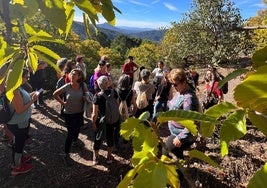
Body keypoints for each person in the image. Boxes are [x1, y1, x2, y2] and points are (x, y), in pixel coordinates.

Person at [6, 68, 39, 176]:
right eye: (26, 77)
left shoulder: (17, 87)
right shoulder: (14, 90)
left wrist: (30, 95)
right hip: (19, 122)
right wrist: (32, 101)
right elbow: (20, 110)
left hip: (20, 121)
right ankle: (17, 167)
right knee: (19, 144)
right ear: (18, 77)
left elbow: (21, 101)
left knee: (18, 141)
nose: (27, 79)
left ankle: (18, 159)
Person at [162, 68, 200, 160]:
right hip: (175, 131)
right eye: (172, 84)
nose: (173, 87)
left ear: (184, 82)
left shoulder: (189, 99)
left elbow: (192, 124)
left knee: (167, 152)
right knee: (174, 153)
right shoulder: (179, 92)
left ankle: (179, 172)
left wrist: (180, 138)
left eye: (175, 84)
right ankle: (180, 171)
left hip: (182, 134)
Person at [53, 68, 88, 166]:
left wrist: (86, 98)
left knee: (77, 129)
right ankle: (66, 154)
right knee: (70, 133)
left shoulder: (83, 85)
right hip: (69, 113)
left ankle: (75, 141)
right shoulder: (67, 86)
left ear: (80, 76)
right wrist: (62, 103)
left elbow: (88, 95)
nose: (72, 75)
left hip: (79, 112)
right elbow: (55, 94)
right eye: (71, 74)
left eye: (75, 74)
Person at [91, 75, 119, 165]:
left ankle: (96, 157)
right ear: (107, 83)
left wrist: (94, 124)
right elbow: (117, 106)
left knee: (98, 138)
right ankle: (109, 156)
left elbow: (94, 114)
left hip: (101, 121)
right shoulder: (114, 92)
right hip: (112, 121)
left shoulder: (97, 96)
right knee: (110, 138)